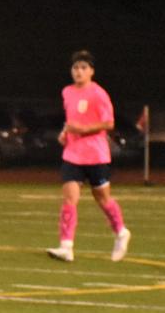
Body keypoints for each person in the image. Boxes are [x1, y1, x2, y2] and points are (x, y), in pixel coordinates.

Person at [47, 50, 131, 263]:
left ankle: (121, 232)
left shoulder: (99, 94)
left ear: (91, 71)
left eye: (84, 68)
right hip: (72, 154)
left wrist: (82, 129)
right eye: (75, 68)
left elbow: (109, 123)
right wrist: (64, 133)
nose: (79, 71)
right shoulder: (67, 92)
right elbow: (71, 120)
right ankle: (66, 246)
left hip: (96, 155)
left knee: (102, 199)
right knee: (69, 198)